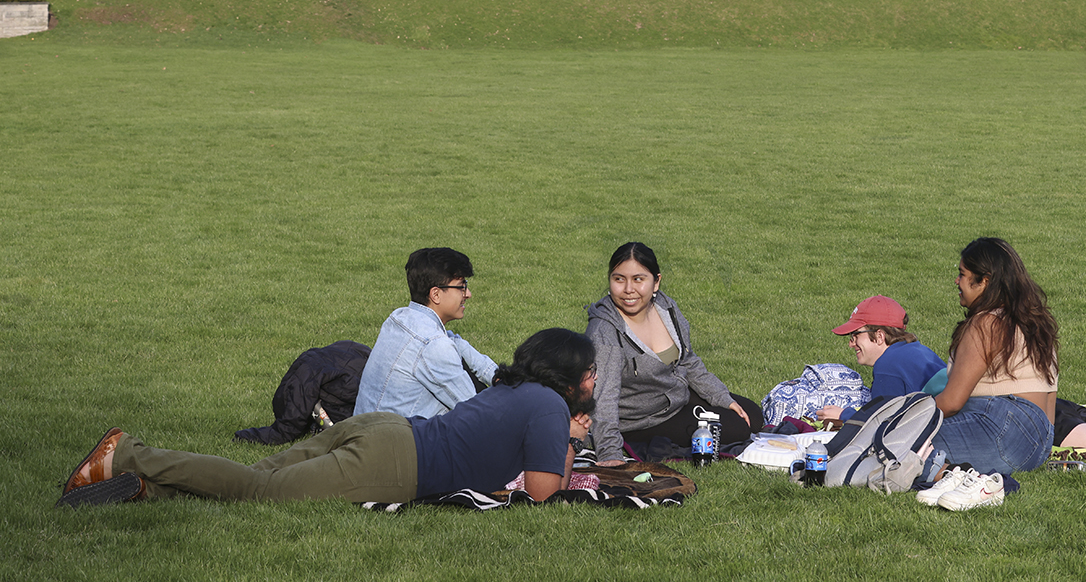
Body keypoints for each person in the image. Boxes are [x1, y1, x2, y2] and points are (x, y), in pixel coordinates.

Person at [56, 328, 597, 508]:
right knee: (259, 491)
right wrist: (570, 440)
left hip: (383, 426)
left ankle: (145, 484)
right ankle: (127, 452)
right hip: (396, 463)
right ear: (568, 377)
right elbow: (546, 489)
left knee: (262, 475)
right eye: (590, 374)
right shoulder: (550, 406)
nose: (594, 383)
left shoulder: (515, 386)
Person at [585, 242, 764, 466]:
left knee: (752, 414)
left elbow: (688, 362)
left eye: (638, 279)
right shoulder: (604, 332)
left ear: (656, 281)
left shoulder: (666, 308)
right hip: (641, 420)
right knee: (736, 428)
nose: (628, 289)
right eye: (619, 279)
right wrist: (610, 453)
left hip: (676, 396)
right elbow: (603, 397)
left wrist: (721, 397)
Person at [928, 238, 1060, 479]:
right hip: (1040, 444)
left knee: (893, 440)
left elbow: (952, 401)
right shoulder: (1035, 323)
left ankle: (951, 475)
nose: (957, 281)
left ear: (985, 281)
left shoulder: (987, 323)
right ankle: (947, 473)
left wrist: (904, 419)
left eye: (962, 274)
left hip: (1002, 427)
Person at [354, 247, 500, 419]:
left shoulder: (399, 318)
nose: (468, 294)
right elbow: (478, 412)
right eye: (461, 287)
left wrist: (502, 378)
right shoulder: (433, 345)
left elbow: (458, 345)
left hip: (363, 434)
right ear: (436, 294)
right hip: (395, 443)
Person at [813, 295, 946, 424]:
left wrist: (843, 415)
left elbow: (881, 423)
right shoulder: (918, 350)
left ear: (880, 336)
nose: (851, 344)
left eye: (855, 335)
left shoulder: (888, 365)